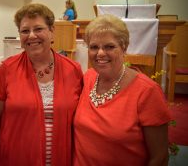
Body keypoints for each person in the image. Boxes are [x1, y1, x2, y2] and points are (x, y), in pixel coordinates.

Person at [73, 14, 172, 166]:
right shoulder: (88, 78)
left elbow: (159, 158)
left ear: (124, 47)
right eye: (94, 47)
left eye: (109, 46)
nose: (100, 53)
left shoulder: (147, 92)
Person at [0, 3, 83, 166]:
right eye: (25, 31)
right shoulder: (6, 69)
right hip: (17, 158)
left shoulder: (73, 70)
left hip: (62, 158)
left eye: (38, 29)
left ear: (51, 32)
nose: (32, 36)